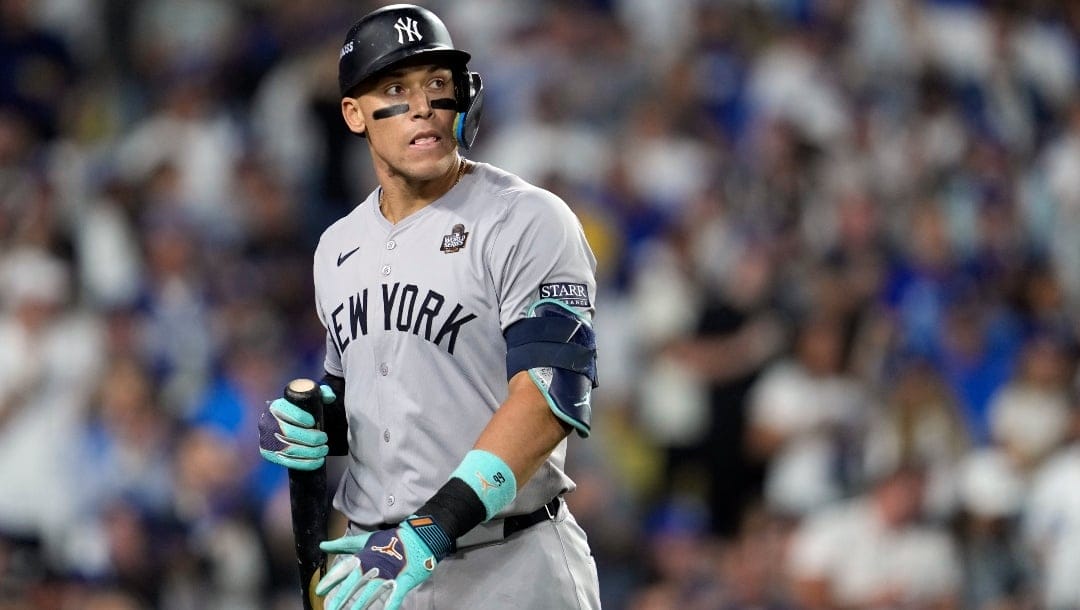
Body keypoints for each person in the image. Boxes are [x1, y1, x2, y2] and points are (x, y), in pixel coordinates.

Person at [258, 5, 600, 610]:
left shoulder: (526, 218)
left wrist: (430, 530)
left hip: (509, 564)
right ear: (353, 113)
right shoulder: (337, 247)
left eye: (437, 85)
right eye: (395, 88)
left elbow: (549, 399)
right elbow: (376, 393)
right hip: (377, 567)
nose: (422, 106)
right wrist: (318, 425)